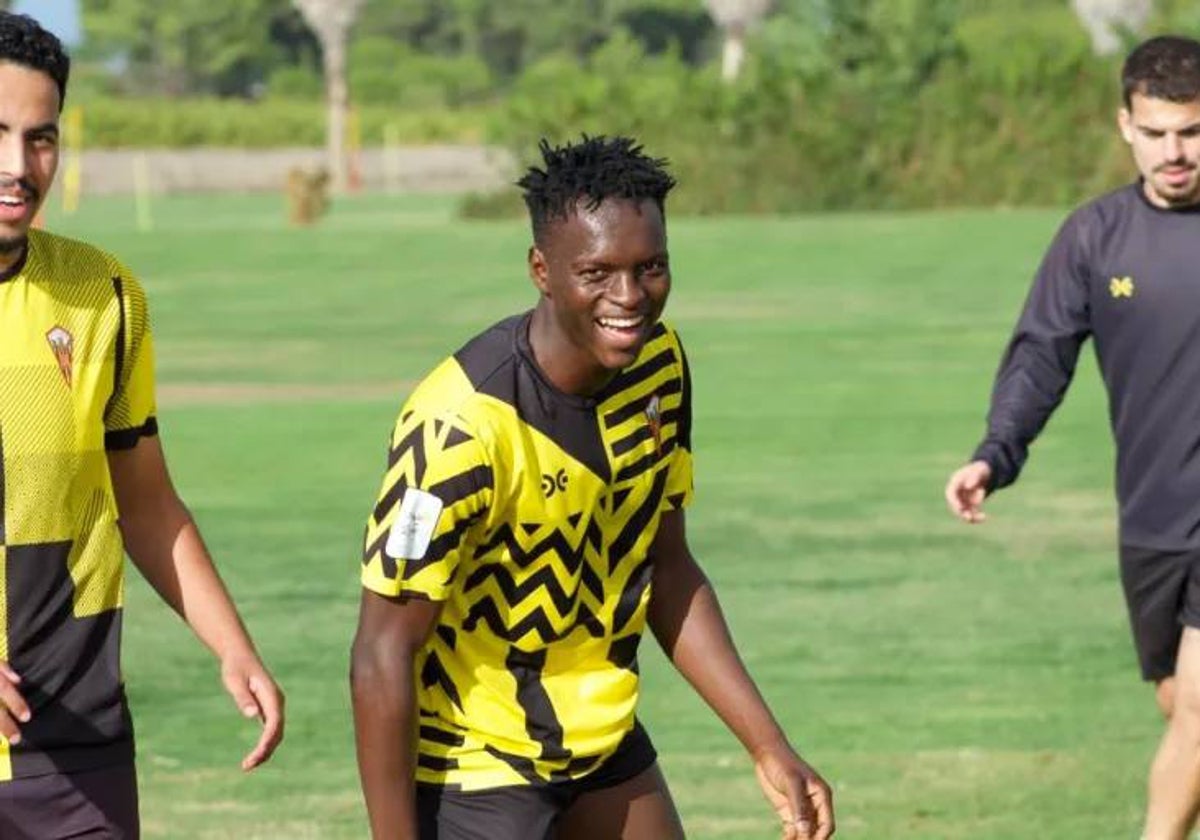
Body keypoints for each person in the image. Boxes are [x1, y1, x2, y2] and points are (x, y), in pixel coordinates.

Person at [351, 135, 834, 840]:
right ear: (542, 270)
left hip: (605, 744)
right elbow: (380, 654)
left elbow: (666, 569)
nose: (630, 297)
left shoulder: (658, 369)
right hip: (475, 771)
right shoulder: (458, 425)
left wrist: (768, 745)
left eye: (652, 268)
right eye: (598, 272)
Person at [0, 12, 284, 838]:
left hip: (77, 743)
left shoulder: (106, 296)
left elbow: (147, 503)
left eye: (41, 138)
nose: (18, 166)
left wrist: (232, 646)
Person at [944, 34, 1200, 840]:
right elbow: (1040, 357)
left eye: (1192, 131)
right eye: (1156, 132)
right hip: (1153, 521)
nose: (1175, 151)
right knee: (1179, 707)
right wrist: (995, 453)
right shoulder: (1094, 239)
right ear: (1125, 124)